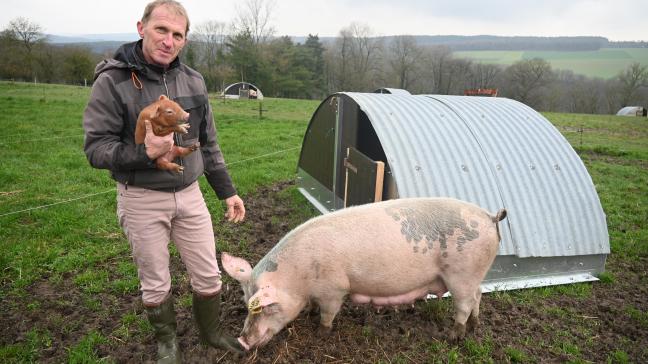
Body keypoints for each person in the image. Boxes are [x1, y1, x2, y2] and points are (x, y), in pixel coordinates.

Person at [82, 1, 245, 362]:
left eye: (177, 35)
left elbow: (208, 143)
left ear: (184, 40)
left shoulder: (194, 80)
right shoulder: (113, 82)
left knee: (208, 276)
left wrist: (227, 191)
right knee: (155, 282)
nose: (168, 41)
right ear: (141, 28)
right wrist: (146, 153)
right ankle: (167, 342)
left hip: (190, 194)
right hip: (141, 197)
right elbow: (96, 148)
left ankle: (212, 332)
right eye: (161, 30)